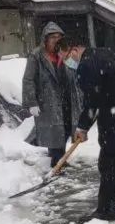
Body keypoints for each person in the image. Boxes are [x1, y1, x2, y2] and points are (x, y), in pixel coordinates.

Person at [57, 38, 115, 222]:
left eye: (64, 57)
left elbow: (92, 101)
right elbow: (105, 90)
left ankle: (106, 209)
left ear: (73, 50)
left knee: (109, 161)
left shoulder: (86, 66)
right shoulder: (105, 52)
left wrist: (82, 127)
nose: (66, 62)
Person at [22, 21, 78, 168]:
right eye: (52, 36)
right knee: (53, 133)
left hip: (65, 100)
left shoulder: (63, 53)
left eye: (59, 36)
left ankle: (60, 158)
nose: (56, 40)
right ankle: (56, 161)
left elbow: (74, 73)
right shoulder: (37, 56)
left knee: (65, 129)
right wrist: (31, 102)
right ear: (45, 39)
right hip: (47, 101)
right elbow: (28, 80)